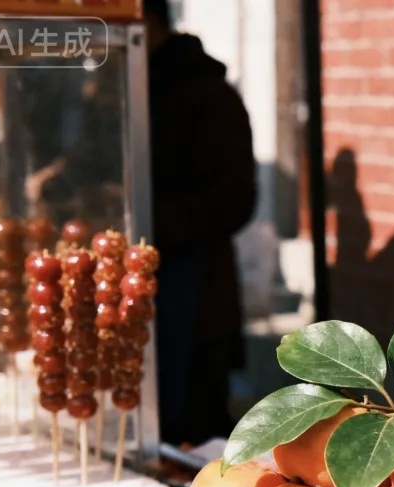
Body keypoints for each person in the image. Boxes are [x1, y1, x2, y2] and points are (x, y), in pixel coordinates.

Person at [143, 0, 256, 446]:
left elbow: (234, 200)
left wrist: (147, 221)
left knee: (193, 435)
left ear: (147, 23)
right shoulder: (130, 89)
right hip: (145, 293)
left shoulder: (207, 96)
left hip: (194, 299)